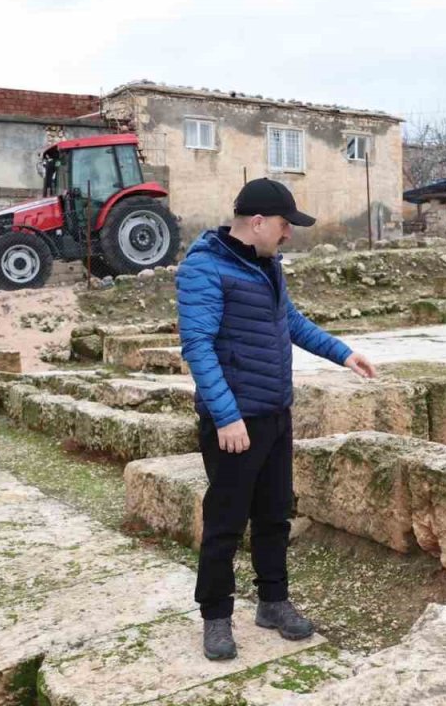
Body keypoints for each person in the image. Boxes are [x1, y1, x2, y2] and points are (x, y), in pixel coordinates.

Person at [176, 178, 377, 661]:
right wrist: (225, 417)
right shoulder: (203, 270)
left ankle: (272, 601)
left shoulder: (267, 267)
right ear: (260, 222)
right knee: (225, 522)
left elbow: (292, 323)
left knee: (274, 514)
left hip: (273, 414)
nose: (289, 234)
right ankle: (216, 616)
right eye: (286, 225)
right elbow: (198, 348)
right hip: (233, 422)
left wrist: (344, 354)